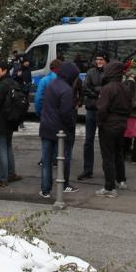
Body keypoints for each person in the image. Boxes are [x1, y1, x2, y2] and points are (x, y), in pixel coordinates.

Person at [39, 62, 80, 198]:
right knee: (63, 158)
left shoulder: (51, 84)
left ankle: (45, 190)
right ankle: (64, 185)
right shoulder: (67, 90)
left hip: (46, 127)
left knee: (46, 160)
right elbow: (65, 113)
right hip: (60, 130)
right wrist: (71, 126)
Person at [95, 61, 130, 197]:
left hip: (109, 124)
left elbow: (102, 109)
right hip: (121, 123)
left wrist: (101, 122)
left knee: (108, 156)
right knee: (118, 153)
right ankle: (121, 180)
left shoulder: (108, 88)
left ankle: (109, 187)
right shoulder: (125, 87)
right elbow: (129, 106)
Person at [79, 51, 108, 180]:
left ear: (106, 60)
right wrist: (99, 92)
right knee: (88, 141)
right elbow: (85, 88)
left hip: (104, 110)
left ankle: (107, 170)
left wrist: (96, 91)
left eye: (101, 59)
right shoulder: (91, 72)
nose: (98, 61)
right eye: (97, 59)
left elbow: (109, 90)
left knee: (105, 141)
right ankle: (87, 169)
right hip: (91, 108)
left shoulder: (109, 72)